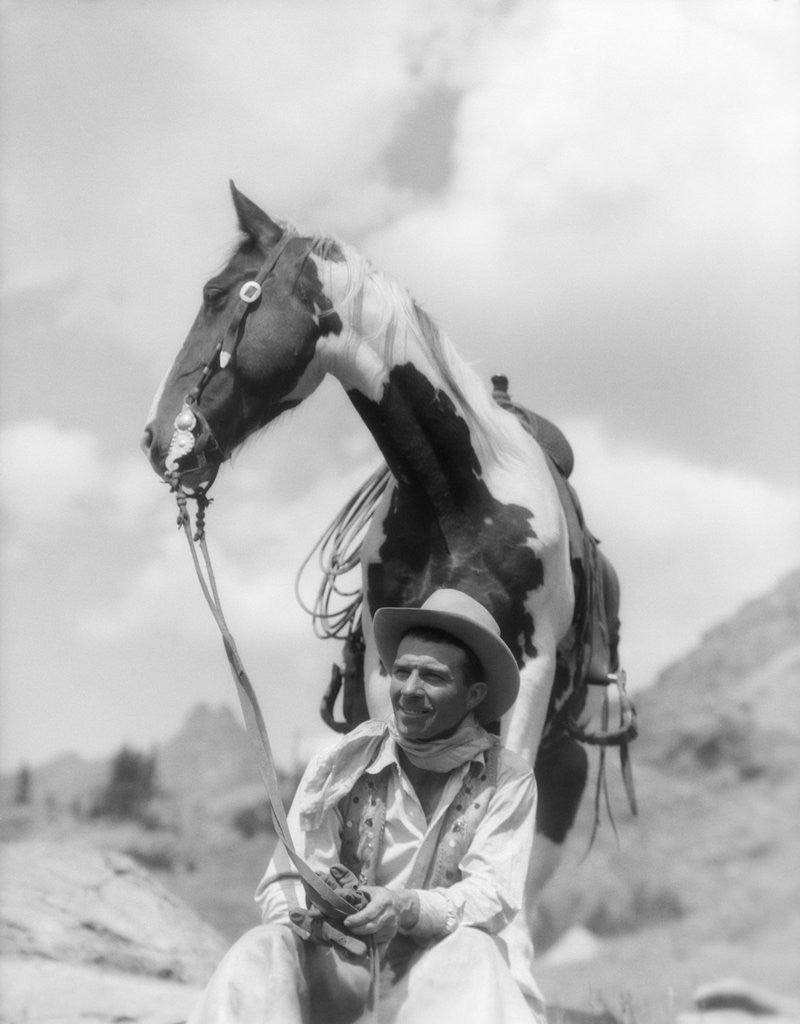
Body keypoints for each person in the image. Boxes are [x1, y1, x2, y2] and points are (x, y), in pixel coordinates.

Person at [187, 589, 546, 1024]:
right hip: (341, 974)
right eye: (402, 672)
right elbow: (284, 877)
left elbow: (492, 895)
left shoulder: (507, 779)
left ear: (474, 695)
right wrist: (317, 915)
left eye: (432, 677)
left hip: (438, 977)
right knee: (261, 949)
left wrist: (405, 907)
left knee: (477, 950)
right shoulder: (341, 765)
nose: (409, 691)